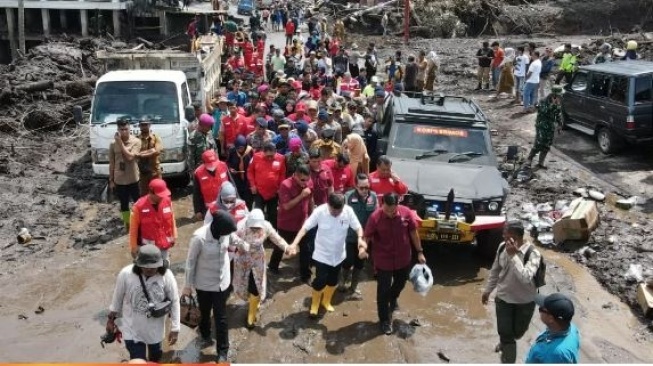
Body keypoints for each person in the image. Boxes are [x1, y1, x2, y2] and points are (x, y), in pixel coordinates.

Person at [183, 211, 249, 362]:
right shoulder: (199, 237)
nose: (227, 234)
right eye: (225, 232)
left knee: (221, 318)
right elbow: (190, 262)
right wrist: (187, 285)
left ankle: (222, 351)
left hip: (222, 283)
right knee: (204, 313)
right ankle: (205, 334)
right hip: (204, 283)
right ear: (216, 227)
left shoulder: (225, 233)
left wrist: (244, 245)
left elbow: (233, 238)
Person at [289, 193, 367, 317]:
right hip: (322, 255)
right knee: (320, 280)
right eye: (333, 211)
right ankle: (314, 305)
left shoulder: (348, 211)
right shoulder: (319, 211)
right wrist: (294, 244)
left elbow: (358, 227)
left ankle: (326, 301)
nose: (336, 213)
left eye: (339, 211)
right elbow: (305, 228)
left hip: (338, 255)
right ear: (328, 205)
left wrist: (359, 239)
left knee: (332, 281)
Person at [481, 220, 542, 364]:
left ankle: (505, 342)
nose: (503, 237)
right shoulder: (502, 247)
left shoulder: (533, 254)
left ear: (514, 236)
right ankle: (507, 353)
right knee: (506, 333)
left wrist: (514, 256)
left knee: (518, 333)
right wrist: (487, 290)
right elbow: (495, 270)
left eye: (505, 235)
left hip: (525, 302)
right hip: (503, 298)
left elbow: (526, 278)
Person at [364, 193, 425, 335]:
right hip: (383, 260)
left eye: (393, 210)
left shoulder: (406, 213)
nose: (390, 213)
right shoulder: (375, 217)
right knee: (382, 291)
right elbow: (366, 236)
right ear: (382, 204)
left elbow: (413, 233)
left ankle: (392, 298)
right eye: (387, 210)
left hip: (403, 258)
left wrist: (420, 252)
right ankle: (384, 320)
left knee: (401, 283)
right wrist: (362, 249)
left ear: (398, 205)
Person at [108, 244, 180, 362]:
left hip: (155, 330)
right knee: (138, 361)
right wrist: (110, 320)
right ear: (138, 263)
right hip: (132, 330)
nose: (149, 269)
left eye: (153, 267)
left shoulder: (167, 276)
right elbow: (117, 299)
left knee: (155, 359)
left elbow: (175, 301)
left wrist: (175, 328)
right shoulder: (126, 274)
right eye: (145, 266)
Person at [234, 209, 293, 328]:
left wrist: (287, 247)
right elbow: (229, 241)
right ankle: (251, 303)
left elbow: (277, 239)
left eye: (257, 227)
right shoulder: (240, 227)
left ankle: (251, 314)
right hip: (242, 260)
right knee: (243, 285)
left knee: (255, 286)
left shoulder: (266, 226)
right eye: (253, 227)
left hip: (257, 261)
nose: (255, 229)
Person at [270, 164, 313, 279]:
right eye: (302, 180)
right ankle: (273, 267)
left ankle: (305, 275)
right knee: (280, 247)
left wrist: (311, 215)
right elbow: (286, 206)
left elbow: (310, 199)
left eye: (307, 179)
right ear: (295, 176)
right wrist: (301, 195)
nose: (305, 182)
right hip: (287, 224)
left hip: (303, 223)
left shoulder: (308, 182)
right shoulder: (286, 185)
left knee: (306, 249)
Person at [340, 173, 378, 296]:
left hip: (365, 237)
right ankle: (342, 282)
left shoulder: (373, 197)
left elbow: (376, 215)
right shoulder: (348, 197)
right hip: (350, 236)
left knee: (360, 263)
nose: (365, 190)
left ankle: (353, 287)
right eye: (361, 188)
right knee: (347, 261)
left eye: (367, 187)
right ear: (355, 186)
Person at [129, 179, 177, 265]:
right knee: (148, 271)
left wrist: (174, 236)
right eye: (160, 195)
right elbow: (133, 229)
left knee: (164, 270)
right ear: (151, 193)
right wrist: (134, 247)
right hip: (147, 249)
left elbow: (172, 219)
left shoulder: (167, 201)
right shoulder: (138, 207)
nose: (162, 197)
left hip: (163, 246)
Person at [525, 293, 580, 364]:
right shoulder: (572, 329)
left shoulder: (554, 354)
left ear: (551, 319)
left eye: (541, 309)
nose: (540, 312)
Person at [109, 118, 142, 230]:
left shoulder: (136, 141)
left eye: (126, 129)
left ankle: (139, 223)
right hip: (120, 180)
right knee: (124, 204)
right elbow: (112, 163)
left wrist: (120, 143)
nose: (123, 132)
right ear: (118, 129)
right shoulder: (112, 144)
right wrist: (111, 180)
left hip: (133, 178)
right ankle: (127, 224)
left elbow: (130, 157)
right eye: (121, 129)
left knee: (137, 203)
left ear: (130, 129)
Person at [247, 142, 286, 227]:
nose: (269, 158)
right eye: (267, 156)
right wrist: (252, 185)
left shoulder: (281, 158)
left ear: (275, 152)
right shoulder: (256, 157)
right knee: (258, 214)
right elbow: (250, 171)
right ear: (263, 152)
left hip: (274, 192)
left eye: (271, 156)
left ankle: (272, 235)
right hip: (259, 192)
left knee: (273, 215)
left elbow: (282, 174)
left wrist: (280, 188)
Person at [526, 86, 563, 169]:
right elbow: (543, 111)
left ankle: (541, 162)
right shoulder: (543, 101)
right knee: (539, 143)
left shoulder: (558, 103)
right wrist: (552, 105)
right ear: (554, 95)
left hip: (550, 127)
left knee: (547, 145)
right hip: (541, 126)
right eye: (559, 95)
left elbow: (558, 115)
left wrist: (560, 125)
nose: (561, 97)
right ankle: (529, 159)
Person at [193, 150, 230, 221]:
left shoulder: (224, 166)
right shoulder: (198, 173)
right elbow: (196, 193)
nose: (212, 166)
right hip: (208, 209)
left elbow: (232, 185)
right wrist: (197, 211)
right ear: (204, 162)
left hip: (225, 206)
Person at [136, 116, 163, 196]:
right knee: (144, 195)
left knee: (158, 193)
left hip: (154, 171)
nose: (144, 127)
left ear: (150, 125)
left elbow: (157, 151)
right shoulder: (137, 139)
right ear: (139, 126)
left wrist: (141, 154)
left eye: (146, 124)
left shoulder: (156, 137)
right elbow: (135, 153)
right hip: (143, 173)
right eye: (142, 125)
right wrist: (151, 151)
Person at [226, 135, 254, 208]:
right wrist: (230, 169)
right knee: (237, 197)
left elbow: (254, 163)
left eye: (242, 148)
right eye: (238, 148)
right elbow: (228, 162)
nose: (240, 150)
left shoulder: (250, 151)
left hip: (247, 178)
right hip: (236, 178)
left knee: (248, 199)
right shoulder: (232, 151)